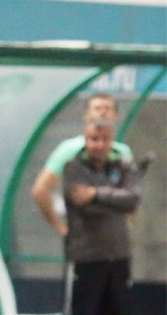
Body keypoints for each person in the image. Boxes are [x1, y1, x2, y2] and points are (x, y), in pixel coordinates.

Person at [56, 118, 142, 315]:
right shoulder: (73, 167)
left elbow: (132, 198)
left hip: (118, 256)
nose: (99, 145)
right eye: (94, 139)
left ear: (111, 141)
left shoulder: (122, 167)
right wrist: (113, 200)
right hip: (87, 257)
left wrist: (96, 194)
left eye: (104, 139)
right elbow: (82, 203)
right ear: (86, 140)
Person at [32, 92, 134, 239]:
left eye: (107, 108)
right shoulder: (70, 150)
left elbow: (131, 196)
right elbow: (41, 190)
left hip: (113, 240)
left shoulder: (122, 152)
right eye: (97, 108)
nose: (102, 113)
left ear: (116, 116)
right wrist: (61, 228)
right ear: (87, 115)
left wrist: (124, 229)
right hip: (82, 237)